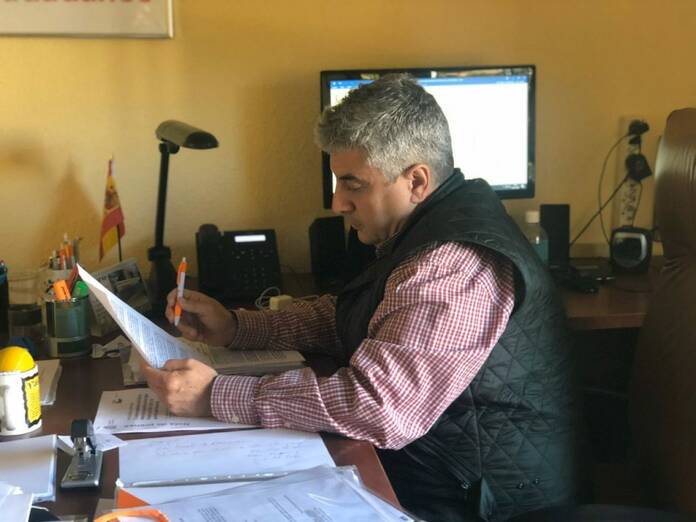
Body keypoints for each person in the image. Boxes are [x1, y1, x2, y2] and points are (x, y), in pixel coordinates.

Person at [143, 74, 578, 521]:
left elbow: (379, 408)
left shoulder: (452, 264)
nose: (338, 203)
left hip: (474, 502)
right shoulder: (424, 231)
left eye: (353, 184)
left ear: (416, 181)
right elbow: (355, 315)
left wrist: (215, 395)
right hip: (436, 471)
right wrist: (237, 327)